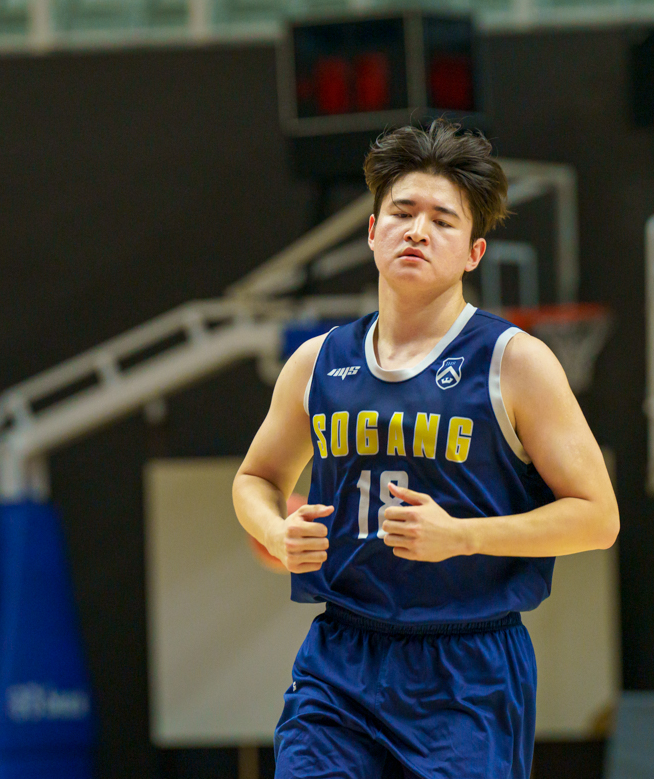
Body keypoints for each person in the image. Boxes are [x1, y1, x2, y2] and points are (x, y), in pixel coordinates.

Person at [232, 119, 619, 779]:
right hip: (342, 655)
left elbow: (598, 518)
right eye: (402, 212)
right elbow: (255, 478)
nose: (417, 230)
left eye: (442, 220)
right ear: (372, 231)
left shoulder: (515, 362)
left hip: (466, 667)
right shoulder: (316, 362)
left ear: (474, 252)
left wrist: (464, 536)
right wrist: (275, 529)